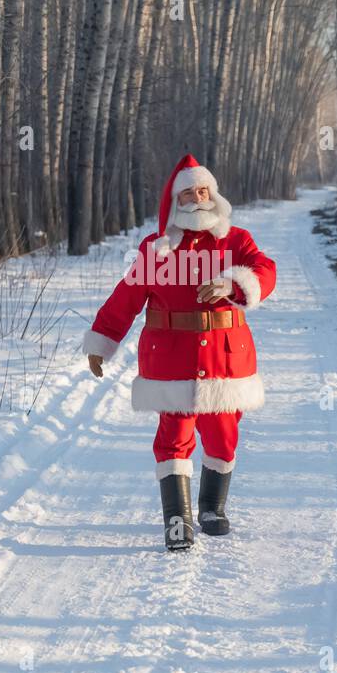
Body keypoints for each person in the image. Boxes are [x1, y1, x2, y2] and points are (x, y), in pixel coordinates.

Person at [82, 154, 277, 550]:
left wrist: (231, 285)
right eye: (188, 192)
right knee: (174, 435)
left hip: (226, 357)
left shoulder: (235, 241)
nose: (197, 197)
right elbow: (126, 297)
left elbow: (265, 271)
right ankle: (177, 520)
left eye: (203, 190)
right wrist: (102, 341)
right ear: (175, 201)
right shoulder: (156, 250)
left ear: (213, 194)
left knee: (223, 436)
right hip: (171, 358)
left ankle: (211, 507)